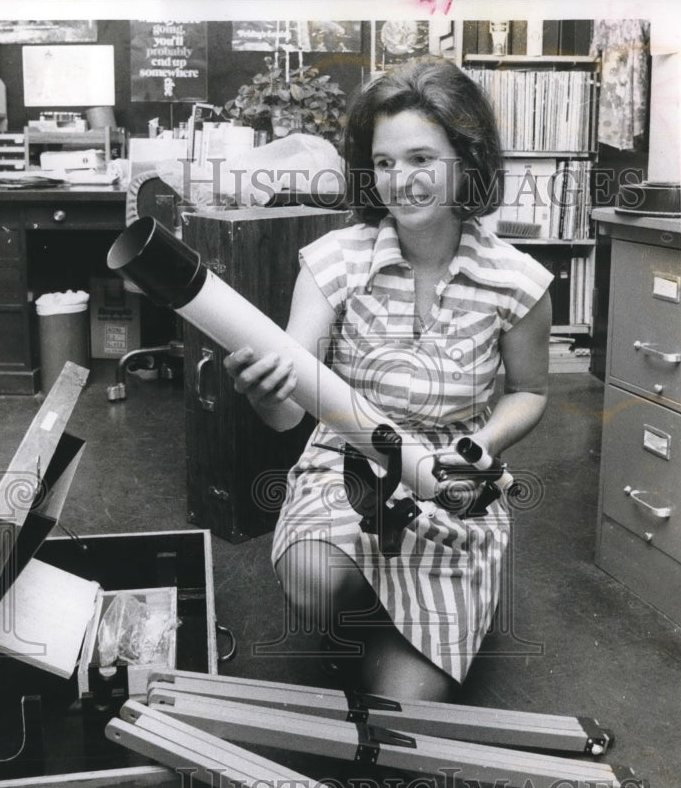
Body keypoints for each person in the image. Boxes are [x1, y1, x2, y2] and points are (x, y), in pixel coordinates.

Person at [224, 59, 552, 703]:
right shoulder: (334, 261)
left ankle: (406, 633)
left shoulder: (517, 280)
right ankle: (366, 616)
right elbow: (292, 414)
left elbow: (531, 392)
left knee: (402, 718)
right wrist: (267, 395)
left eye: (422, 158)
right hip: (348, 464)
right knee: (315, 581)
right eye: (384, 163)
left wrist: (479, 449)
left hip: (452, 476)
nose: (401, 181)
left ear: (466, 160)